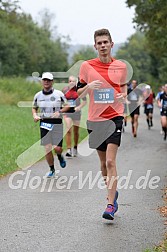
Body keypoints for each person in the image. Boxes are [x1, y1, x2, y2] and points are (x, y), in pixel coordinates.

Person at [77, 28, 127, 220]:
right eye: (99, 43)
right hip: (95, 120)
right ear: (95, 46)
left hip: (114, 117)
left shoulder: (120, 66)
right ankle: (113, 194)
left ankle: (109, 204)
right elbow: (76, 94)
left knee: (110, 161)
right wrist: (88, 87)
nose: (103, 46)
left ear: (111, 44)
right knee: (102, 164)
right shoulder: (87, 67)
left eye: (106, 42)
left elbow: (122, 86)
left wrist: (123, 95)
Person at [32, 72, 70, 178]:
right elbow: (34, 108)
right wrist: (35, 115)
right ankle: (52, 169)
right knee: (47, 148)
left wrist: (60, 112)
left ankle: (59, 156)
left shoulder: (59, 94)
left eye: (48, 80)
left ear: (52, 82)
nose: (46, 82)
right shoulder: (38, 95)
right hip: (44, 122)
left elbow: (67, 106)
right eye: (44, 80)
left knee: (57, 148)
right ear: (42, 81)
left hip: (57, 122)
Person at [62, 76, 87, 157]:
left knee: (76, 131)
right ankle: (69, 149)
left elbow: (84, 101)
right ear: (68, 82)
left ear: (76, 82)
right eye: (70, 81)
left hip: (76, 112)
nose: (72, 82)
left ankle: (75, 147)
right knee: (68, 129)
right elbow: (61, 100)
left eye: (73, 81)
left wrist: (78, 107)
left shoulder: (79, 90)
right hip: (68, 112)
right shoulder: (64, 90)